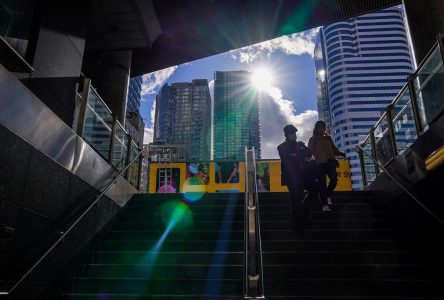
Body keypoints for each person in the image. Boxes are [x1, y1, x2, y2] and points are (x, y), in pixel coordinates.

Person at [277, 124, 320, 230]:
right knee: (295, 198)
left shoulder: (300, 144)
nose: (295, 136)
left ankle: (302, 215)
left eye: (295, 133)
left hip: (304, 175)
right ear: (287, 135)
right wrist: (300, 153)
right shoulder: (282, 147)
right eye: (292, 134)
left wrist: (298, 153)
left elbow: (309, 153)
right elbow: (288, 159)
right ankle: (297, 221)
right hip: (291, 177)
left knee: (314, 190)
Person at [308, 120, 346, 212]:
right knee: (322, 185)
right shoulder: (313, 139)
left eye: (323, 127)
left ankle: (327, 195)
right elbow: (309, 151)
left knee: (334, 180)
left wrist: (342, 153)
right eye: (320, 127)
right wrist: (308, 159)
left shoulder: (328, 138)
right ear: (316, 129)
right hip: (319, 164)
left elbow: (334, 149)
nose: (322, 129)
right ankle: (324, 204)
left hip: (330, 162)